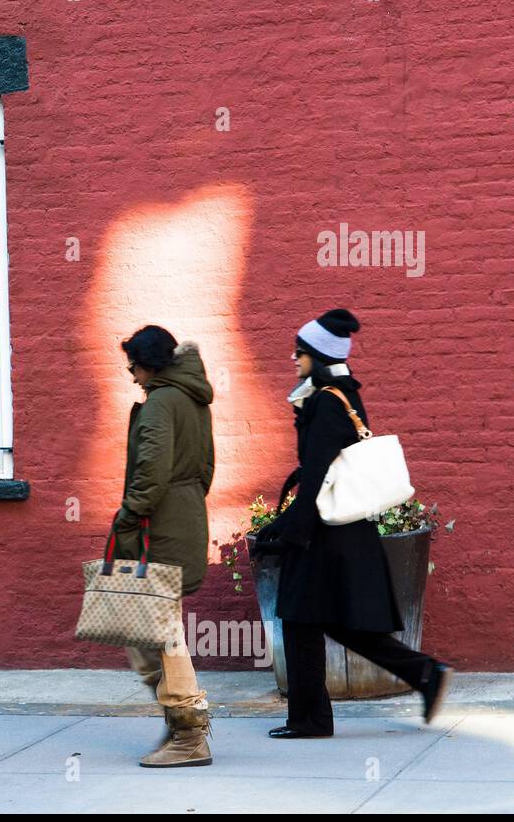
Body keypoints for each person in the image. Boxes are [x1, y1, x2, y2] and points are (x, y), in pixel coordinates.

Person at [251, 309, 453, 738]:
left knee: (300, 619)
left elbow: (319, 472)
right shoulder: (336, 394)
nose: (293, 358)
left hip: (325, 532)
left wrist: (289, 531)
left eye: (299, 352)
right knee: (333, 622)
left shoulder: (326, 401)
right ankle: (423, 674)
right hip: (338, 529)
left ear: (317, 356)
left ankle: (311, 720)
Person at [114, 325, 216, 767]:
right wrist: (186, 502)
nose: (132, 376)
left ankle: (188, 732)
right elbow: (208, 465)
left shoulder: (160, 402)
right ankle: (177, 719)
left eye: (133, 366)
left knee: (158, 629)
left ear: (148, 364)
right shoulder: (194, 399)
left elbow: (150, 473)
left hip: (158, 526)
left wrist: (128, 515)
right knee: (147, 627)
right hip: (186, 514)